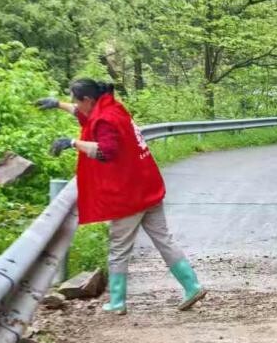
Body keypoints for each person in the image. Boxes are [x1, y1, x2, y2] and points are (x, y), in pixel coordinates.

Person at [36, 79, 206, 315]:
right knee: (164, 239)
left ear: (88, 99)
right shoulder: (112, 108)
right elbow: (85, 114)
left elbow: (106, 151)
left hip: (129, 195)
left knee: (118, 248)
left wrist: (73, 143)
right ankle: (192, 285)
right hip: (147, 187)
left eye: (75, 99)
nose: (74, 104)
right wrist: (58, 104)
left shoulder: (105, 119)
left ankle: (117, 301)